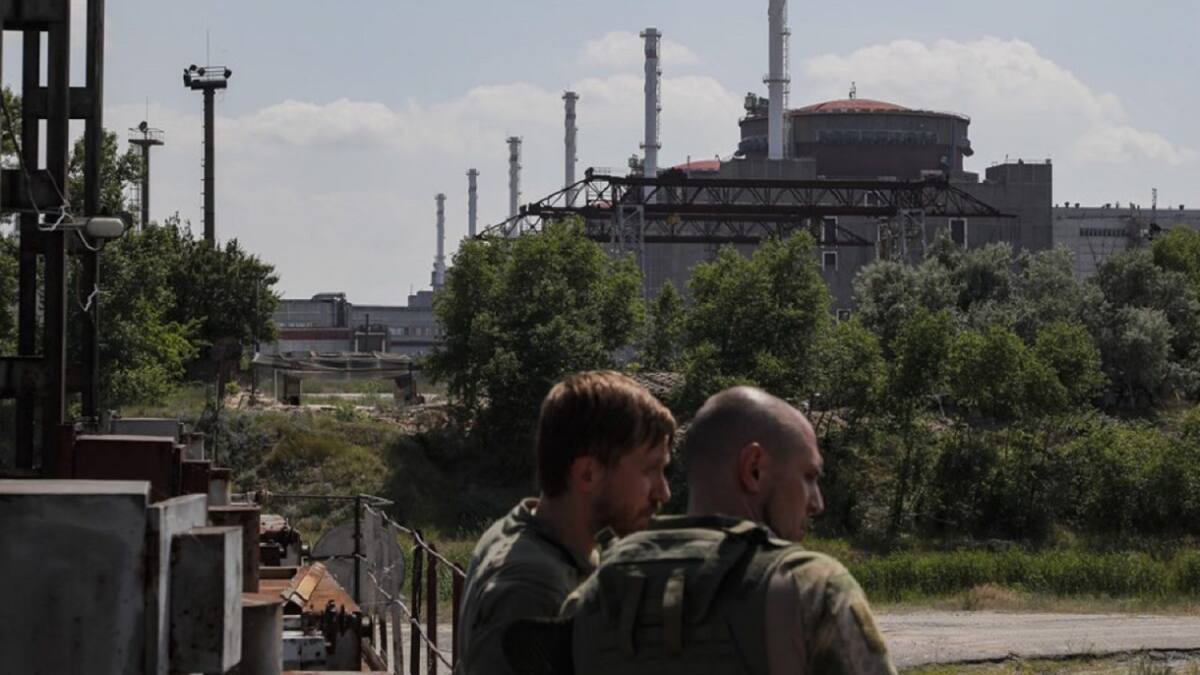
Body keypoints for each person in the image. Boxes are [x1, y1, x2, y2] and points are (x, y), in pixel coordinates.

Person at [548, 386, 896, 675]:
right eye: (808, 477)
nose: (817, 502)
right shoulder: (811, 587)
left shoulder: (592, 594)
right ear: (754, 469)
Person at [455, 370, 676, 675]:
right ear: (587, 474)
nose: (663, 491)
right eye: (651, 470)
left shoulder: (524, 529)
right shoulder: (533, 590)